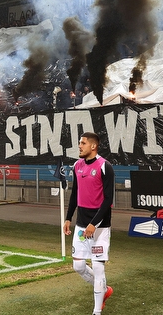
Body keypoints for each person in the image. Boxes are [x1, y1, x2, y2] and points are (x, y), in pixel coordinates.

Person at [63, 132, 114, 314]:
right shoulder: (77, 165)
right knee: (78, 266)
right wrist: (68, 218)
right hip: (81, 225)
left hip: (100, 228)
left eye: (83, 143)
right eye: (80, 143)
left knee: (98, 268)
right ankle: (104, 289)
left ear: (93, 146)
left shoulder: (105, 167)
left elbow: (108, 200)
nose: (80, 146)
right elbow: (75, 194)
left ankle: (96, 311)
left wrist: (94, 224)